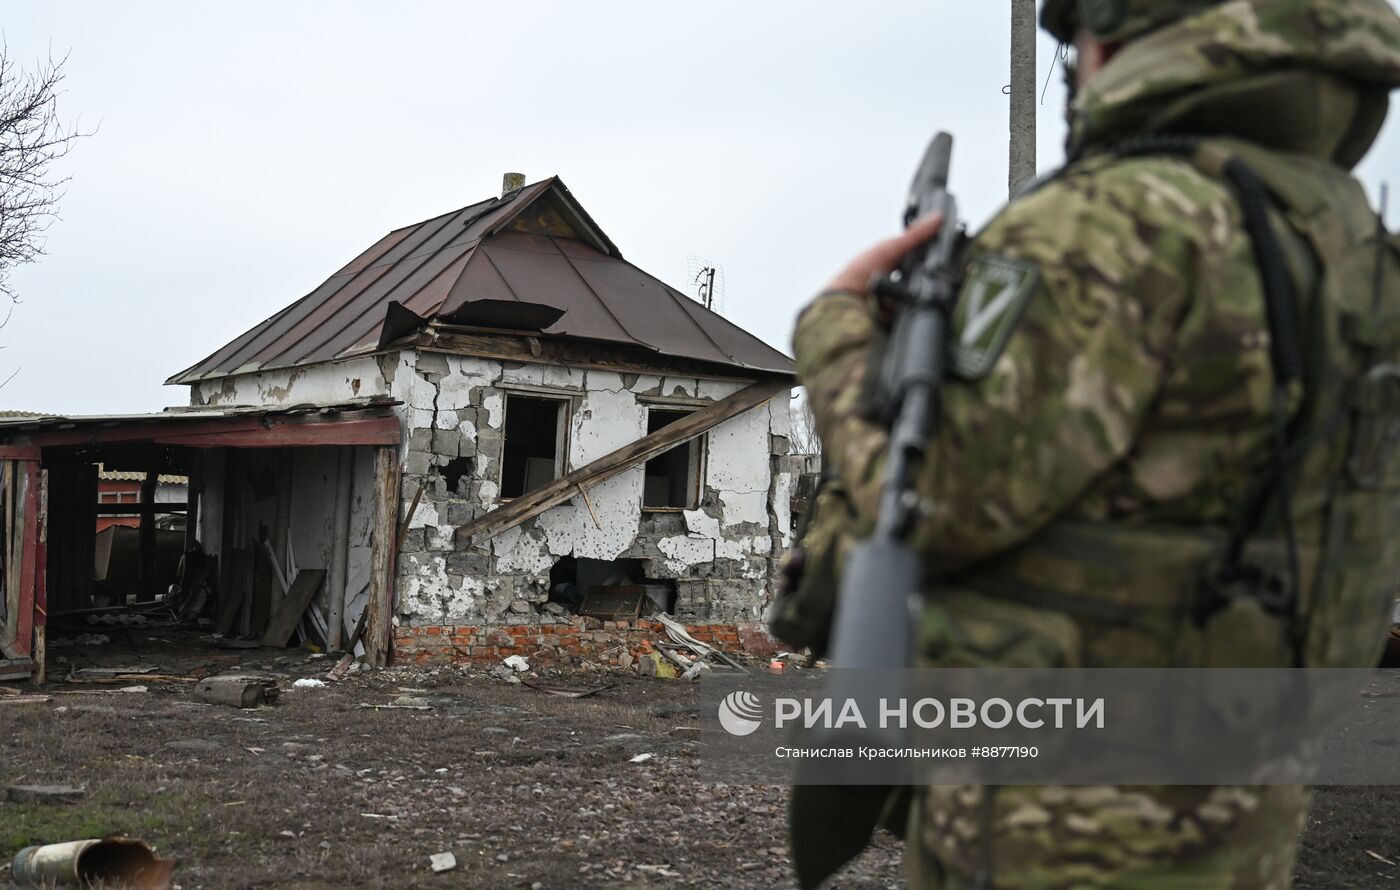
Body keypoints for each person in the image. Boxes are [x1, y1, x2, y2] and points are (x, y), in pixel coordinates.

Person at [780, 0, 1400, 886]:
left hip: (1050, 822)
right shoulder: (1354, 246)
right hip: (1238, 802)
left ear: (1116, 34)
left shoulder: (1114, 224)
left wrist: (836, 328)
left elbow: (933, 495)